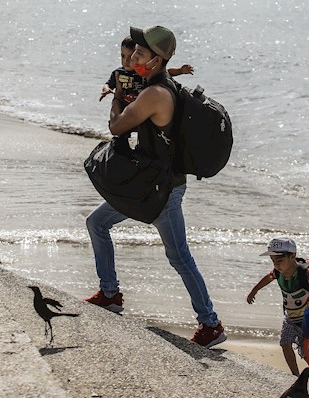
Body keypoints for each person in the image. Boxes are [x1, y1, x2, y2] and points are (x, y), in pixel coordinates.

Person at [84, 25, 226, 348]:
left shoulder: (155, 93)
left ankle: (211, 324)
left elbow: (117, 126)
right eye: (134, 50)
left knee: (179, 256)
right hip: (149, 184)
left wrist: (118, 97)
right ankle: (110, 293)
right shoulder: (159, 83)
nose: (133, 56)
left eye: (141, 53)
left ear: (156, 61)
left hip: (163, 191)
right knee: (97, 223)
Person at [246, 237, 309, 385]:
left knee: (307, 355)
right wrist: (254, 290)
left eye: (279, 260)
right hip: (290, 318)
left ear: (292, 256)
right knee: (285, 343)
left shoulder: (306, 272)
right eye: (273, 261)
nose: (276, 265)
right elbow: (268, 278)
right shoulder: (277, 273)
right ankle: (295, 376)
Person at [99, 36, 195, 102]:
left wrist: (180, 71)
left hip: (140, 105)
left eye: (130, 56)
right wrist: (106, 90)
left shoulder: (144, 71)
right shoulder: (118, 73)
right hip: (124, 106)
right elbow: (108, 84)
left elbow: (166, 72)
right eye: (123, 56)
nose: (126, 60)